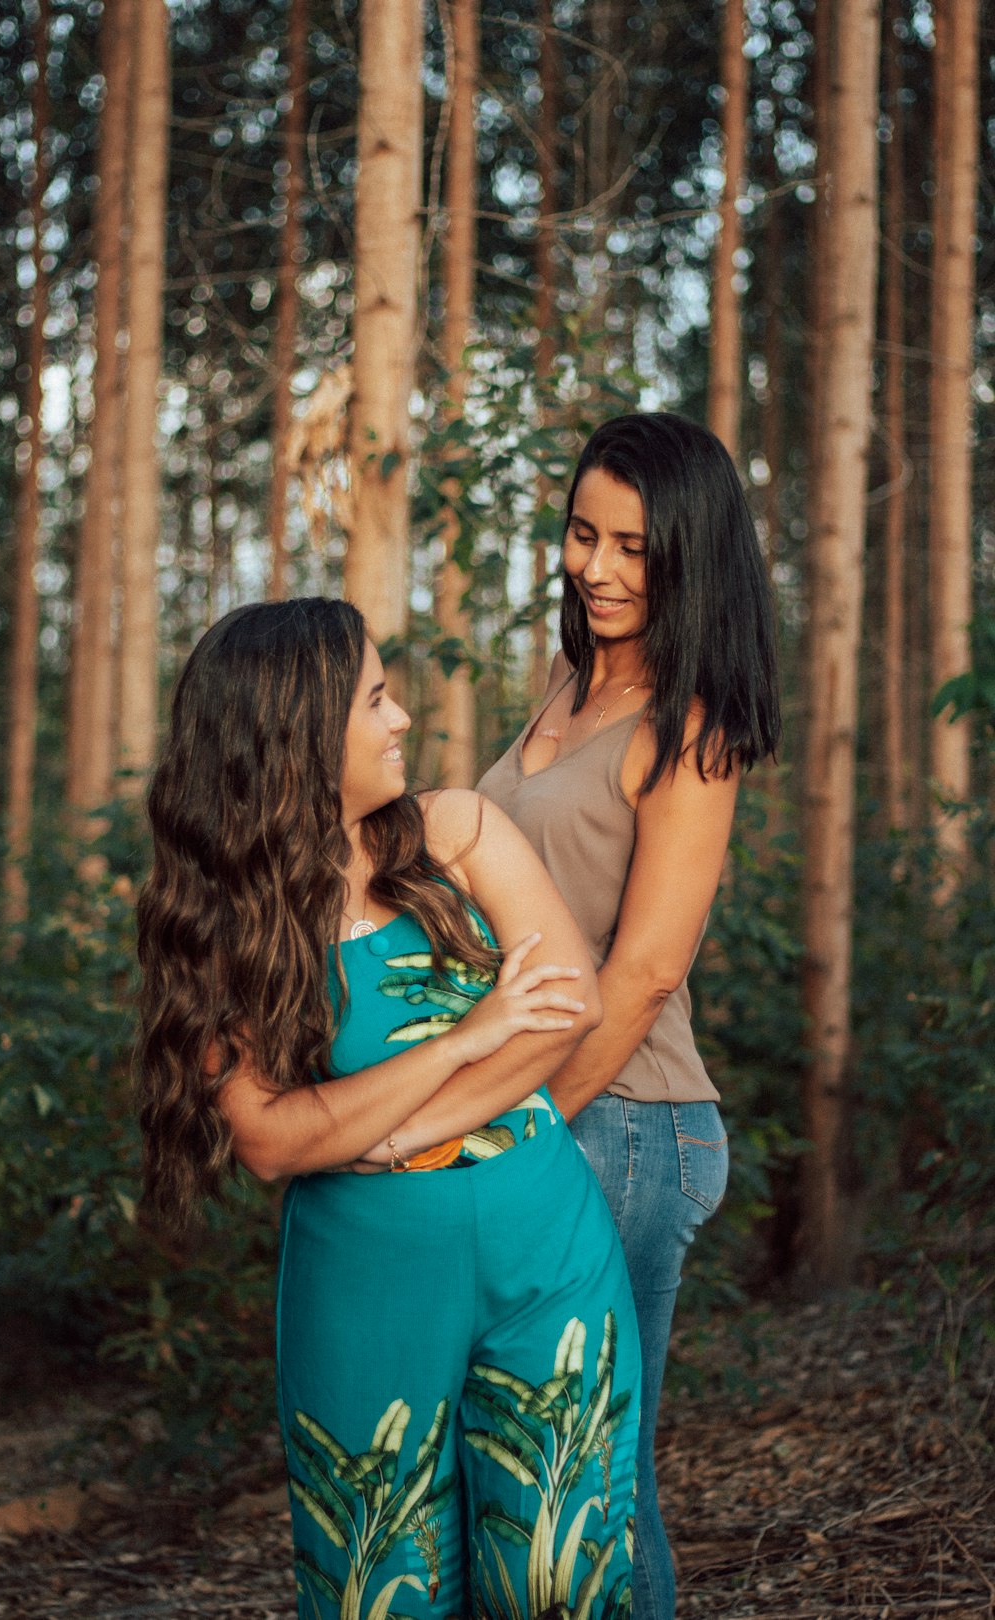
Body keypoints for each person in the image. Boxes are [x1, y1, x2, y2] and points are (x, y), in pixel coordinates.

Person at [135, 597, 643, 1620]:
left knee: (561, 1578)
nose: (402, 716)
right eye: (374, 698)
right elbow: (273, 1139)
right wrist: (466, 1037)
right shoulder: (224, 920)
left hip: (546, 1248)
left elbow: (564, 1009)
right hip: (363, 1279)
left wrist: (395, 1128)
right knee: (379, 1587)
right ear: (299, 732)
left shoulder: (456, 831)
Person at [476, 412, 781, 1620]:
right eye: (582, 534)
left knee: (594, 1475)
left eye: (635, 549)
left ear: (690, 559)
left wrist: (532, 1121)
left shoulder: (688, 726)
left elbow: (648, 967)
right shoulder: (574, 679)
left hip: (624, 1121)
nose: (596, 568)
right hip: (557, 1110)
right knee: (530, 1462)